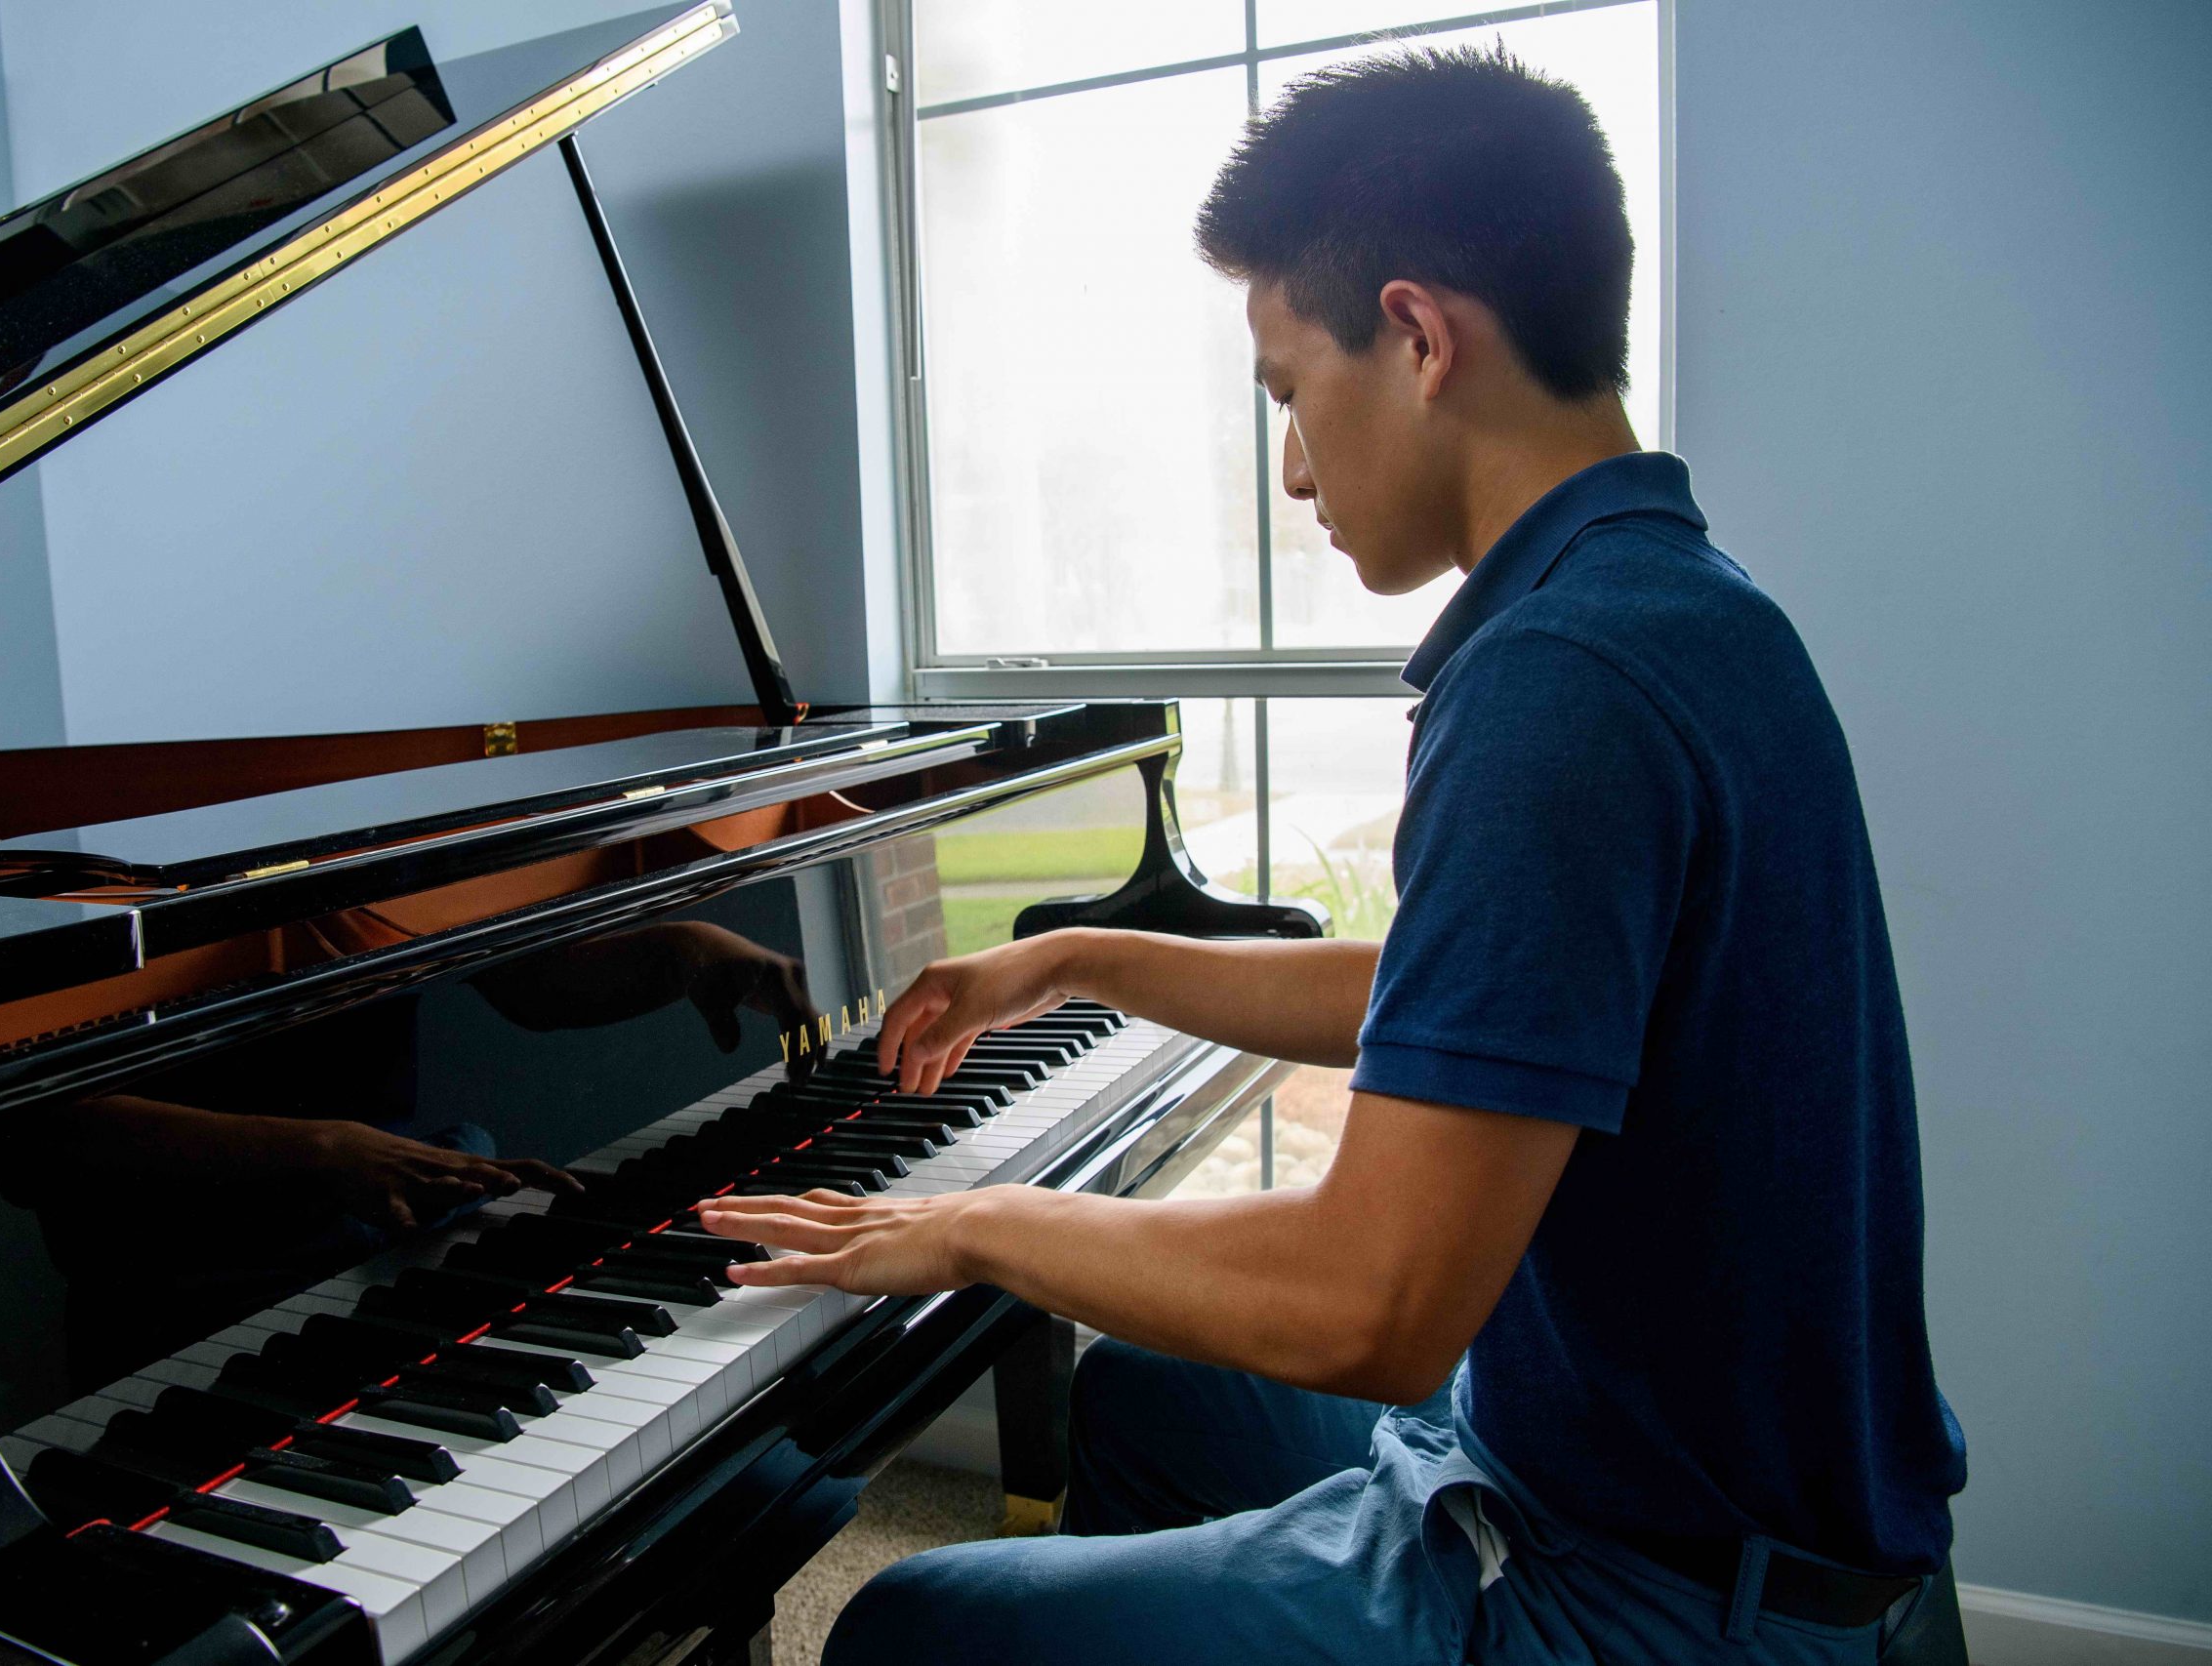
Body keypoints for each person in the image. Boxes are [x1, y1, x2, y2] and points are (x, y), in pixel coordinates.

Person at [692, 44, 1966, 1666]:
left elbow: (1372, 1305)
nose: (1292, 467)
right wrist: (1079, 958)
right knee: (1152, 1399)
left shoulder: (1558, 684)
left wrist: (978, 1223)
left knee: (914, 1623)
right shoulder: (1671, 605)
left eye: (1289, 393)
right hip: (1665, 1491)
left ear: (1420, 337)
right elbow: (1467, 994)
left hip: (1649, 1592)